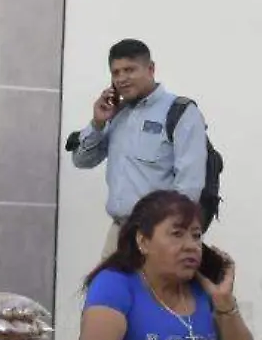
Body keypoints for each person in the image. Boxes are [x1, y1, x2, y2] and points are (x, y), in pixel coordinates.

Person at [77, 190, 253, 340]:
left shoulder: (204, 286)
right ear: (143, 241)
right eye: (177, 234)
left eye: (196, 236)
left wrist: (225, 303)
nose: (191, 246)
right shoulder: (116, 283)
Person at [68, 40, 211, 257]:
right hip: (119, 233)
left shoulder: (180, 112)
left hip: (156, 235)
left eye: (130, 70)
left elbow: (189, 187)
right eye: (116, 73)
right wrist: (97, 124)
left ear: (150, 69)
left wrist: (171, 237)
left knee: (152, 292)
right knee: (104, 290)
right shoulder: (117, 113)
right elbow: (81, 161)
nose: (122, 78)